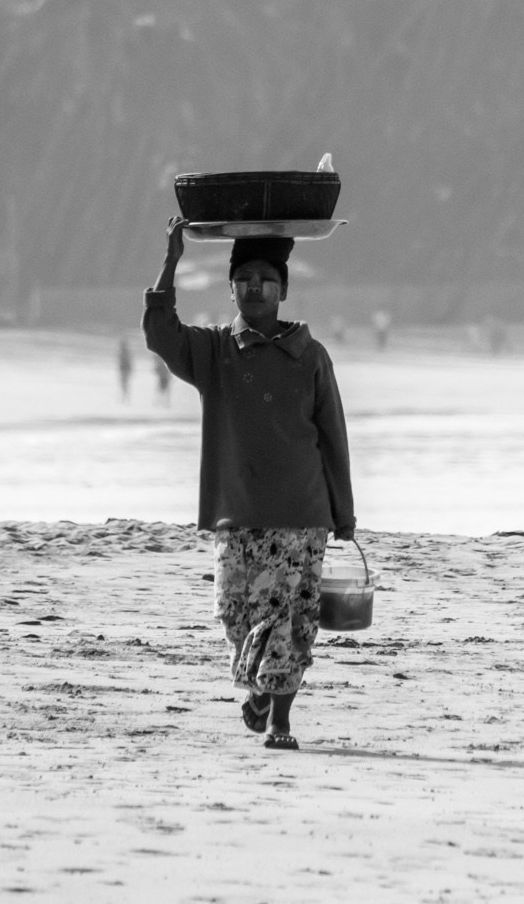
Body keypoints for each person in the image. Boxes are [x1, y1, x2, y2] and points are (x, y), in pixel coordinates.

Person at [145, 218, 355, 752]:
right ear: (231, 288)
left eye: (266, 279)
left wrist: (343, 514)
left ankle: (280, 719)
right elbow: (160, 333)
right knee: (238, 617)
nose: (255, 287)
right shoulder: (214, 353)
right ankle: (260, 695)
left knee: (290, 620)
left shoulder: (311, 356)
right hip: (235, 514)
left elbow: (333, 437)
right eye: (244, 279)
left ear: (283, 290)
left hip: (301, 515)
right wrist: (171, 261)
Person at [117, 334, 134, 399]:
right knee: (124, 383)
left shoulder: (125, 352)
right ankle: (124, 396)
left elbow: (128, 361)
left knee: (124, 383)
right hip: (124, 369)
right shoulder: (123, 352)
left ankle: (125, 396)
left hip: (125, 369)